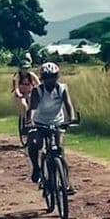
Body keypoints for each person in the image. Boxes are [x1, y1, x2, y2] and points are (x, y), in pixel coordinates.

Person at [28, 62, 78, 194]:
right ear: (42, 78)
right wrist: (31, 121)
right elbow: (32, 108)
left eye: (53, 77)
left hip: (57, 122)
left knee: (59, 150)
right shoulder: (37, 90)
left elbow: (68, 104)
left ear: (57, 77)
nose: (50, 80)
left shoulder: (62, 89)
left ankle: (65, 183)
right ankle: (36, 168)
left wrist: (71, 118)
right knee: (34, 143)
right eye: (47, 77)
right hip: (40, 122)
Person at [12, 60, 40, 125]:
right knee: (24, 105)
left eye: (27, 68)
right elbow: (16, 87)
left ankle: (30, 119)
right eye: (23, 68)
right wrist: (19, 94)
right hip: (21, 94)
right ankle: (24, 120)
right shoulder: (18, 77)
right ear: (20, 69)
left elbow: (39, 84)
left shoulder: (31, 75)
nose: (25, 70)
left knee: (33, 106)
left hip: (30, 93)